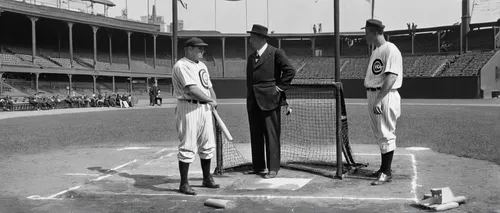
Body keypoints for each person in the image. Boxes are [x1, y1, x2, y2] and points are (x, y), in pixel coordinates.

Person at [245, 24, 296, 179]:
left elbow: (290, 71)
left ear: (261, 38)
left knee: (271, 135)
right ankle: (258, 166)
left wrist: (279, 89)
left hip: (270, 100)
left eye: (252, 37)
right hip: (254, 101)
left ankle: (273, 168)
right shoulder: (251, 57)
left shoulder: (275, 53)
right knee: (256, 134)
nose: (250, 40)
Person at [172, 37, 219, 195]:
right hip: (188, 107)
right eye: (199, 49)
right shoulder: (182, 65)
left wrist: (213, 100)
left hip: (204, 108)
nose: (202, 51)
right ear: (189, 49)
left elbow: (208, 87)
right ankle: (184, 184)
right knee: (188, 145)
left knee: (207, 144)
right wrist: (209, 99)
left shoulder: (203, 66)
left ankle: (207, 178)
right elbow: (192, 89)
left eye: (203, 48)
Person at [362, 19, 403, 185]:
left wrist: (379, 100)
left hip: (385, 95)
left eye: (367, 33)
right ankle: (383, 168)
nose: (365, 36)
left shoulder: (390, 49)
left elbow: (391, 77)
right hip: (375, 94)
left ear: (375, 32)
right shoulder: (376, 51)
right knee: (379, 133)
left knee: (386, 133)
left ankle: (386, 172)